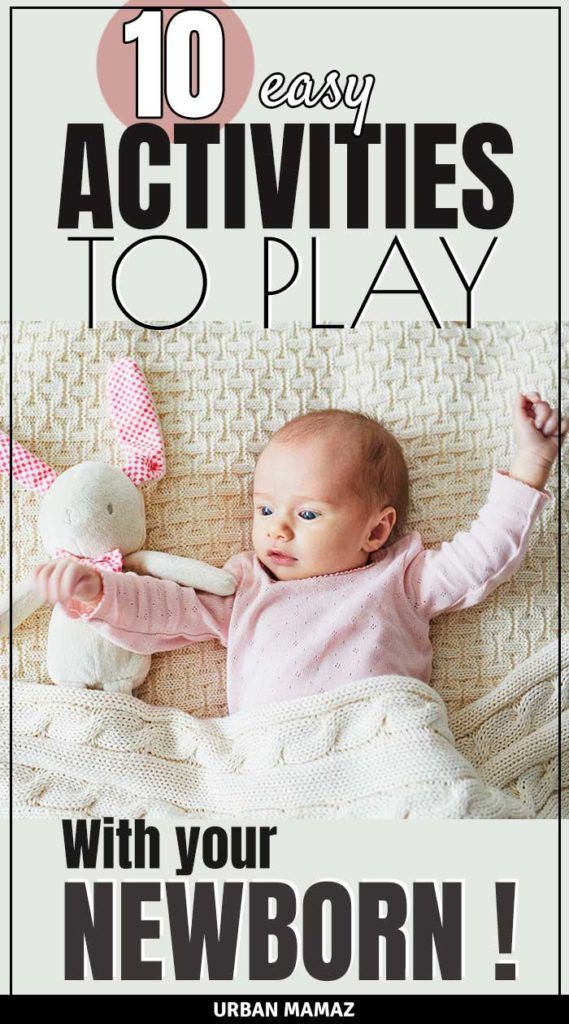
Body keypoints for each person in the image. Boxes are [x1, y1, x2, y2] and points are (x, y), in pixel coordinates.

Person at [32, 391, 566, 713]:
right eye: (265, 511)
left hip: (381, 741)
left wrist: (530, 464)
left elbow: (483, 556)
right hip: (276, 755)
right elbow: (168, 608)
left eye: (306, 514)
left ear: (375, 532)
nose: (277, 532)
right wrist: (100, 593)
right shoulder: (245, 588)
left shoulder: (400, 580)